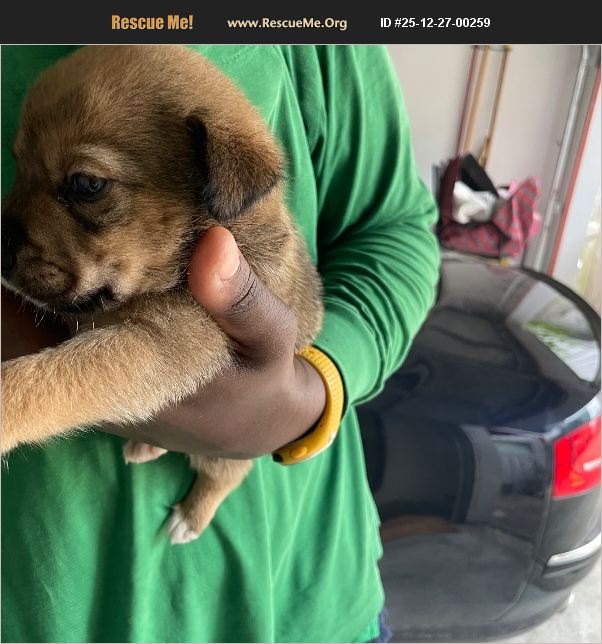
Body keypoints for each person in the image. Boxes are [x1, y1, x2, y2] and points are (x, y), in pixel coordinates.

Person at [1, 45, 440, 643]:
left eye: (86, 186)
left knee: (218, 465)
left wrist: (312, 393)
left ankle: (208, 495)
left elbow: (392, 229)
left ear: (216, 186)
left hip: (291, 586)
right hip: (36, 600)